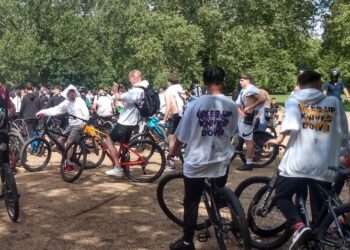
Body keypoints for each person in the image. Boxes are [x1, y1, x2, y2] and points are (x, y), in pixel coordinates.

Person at [268, 70, 348, 250]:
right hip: (325, 165)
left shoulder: (294, 100)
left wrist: (277, 140)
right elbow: (344, 133)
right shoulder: (334, 102)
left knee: (281, 197)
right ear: (318, 84)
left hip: (298, 164)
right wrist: (344, 151)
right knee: (319, 207)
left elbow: (289, 126)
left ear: (300, 83)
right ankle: (317, 238)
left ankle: (298, 226)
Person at [167, 66, 238, 250]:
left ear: (205, 83)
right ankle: (232, 221)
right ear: (223, 81)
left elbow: (181, 137)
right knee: (219, 192)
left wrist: (173, 152)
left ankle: (187, 242)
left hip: (197, 161)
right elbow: (232, 132)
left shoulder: (195, 105)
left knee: (191, 202)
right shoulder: (231, 105)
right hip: (221, 159)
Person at [103, 70, 144, 177]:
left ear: (134, 77)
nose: (129, 80)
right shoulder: (142, 89)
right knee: (124, 146)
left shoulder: (135, 90)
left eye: (130, 78)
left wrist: (115, 90)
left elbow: (118, 97)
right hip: (132, 122)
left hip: (125, 122)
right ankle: (126, 168)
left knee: (108, 140)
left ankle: (117, 167)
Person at [36, 85, 90, 149]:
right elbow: (56, 109)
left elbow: (86, 113)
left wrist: (84, 122)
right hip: (71, 125)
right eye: (70, 92)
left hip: (79, 124)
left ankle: (68, 158)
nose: (71, 94)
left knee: (69, 142)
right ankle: (67, 155)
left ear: (75, 93)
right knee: (60, 141)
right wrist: (42, 112)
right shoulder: (66, 102)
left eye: (73, 92)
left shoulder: (80, 101)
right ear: (67, 94)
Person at [235, 74, 266, 171]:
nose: (240, 82)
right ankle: (246, 157)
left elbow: (262, 98)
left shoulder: (251, 89)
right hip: (242, 117)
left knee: (248, 141)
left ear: (248, 80)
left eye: (242, 80)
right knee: (244, 139)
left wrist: (250, 107)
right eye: (240, 80)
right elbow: (237, 104)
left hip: (249, 117)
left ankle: (249, 163)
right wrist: (240, 112)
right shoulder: (243, 90)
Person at [164, 73, 186, 171]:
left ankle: (170, 163)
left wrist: (164, 119)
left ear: (169, 82)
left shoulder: (169, 90)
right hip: (183, 115)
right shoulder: (180, 88)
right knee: (178, 139)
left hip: (174, 115)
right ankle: (180, 158)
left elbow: (169, 105)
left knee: (171, 139)